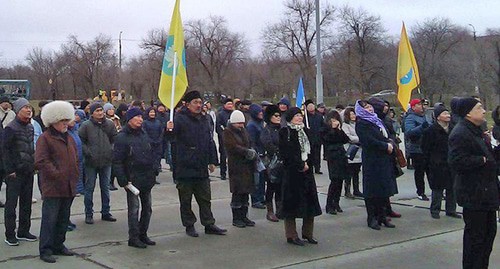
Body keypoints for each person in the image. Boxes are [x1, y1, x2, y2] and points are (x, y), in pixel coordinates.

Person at [448, 97, 499, 269]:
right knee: (475, 241)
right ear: (468, 113)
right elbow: (456, 162)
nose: (484, 111)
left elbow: (490, 156)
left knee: (488, 237)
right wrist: (482, 160)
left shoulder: (476, 130)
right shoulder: (460, 133)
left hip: (486, 194)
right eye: (479, 108)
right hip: (474, 194)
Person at [170, 91, 226, 237]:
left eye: (200, 102)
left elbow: (209, 140)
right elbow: (170, 138)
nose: (198, 105)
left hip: (201, 166)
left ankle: (209, 223)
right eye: (195, 102)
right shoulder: (179, 119)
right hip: (185, 166)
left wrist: (213, 160)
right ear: (187, 104)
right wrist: (169, 129)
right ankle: (189, 225)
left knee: (205, 198)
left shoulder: (204, 119)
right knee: (186, 199)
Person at [35, 101, 79, 263]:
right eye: (62, 121)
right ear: (53, 121)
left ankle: (59, 245)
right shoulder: (45, 139)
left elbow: (75, 158)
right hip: (53, 187)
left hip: (68, 186)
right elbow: (41, 161)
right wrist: (58, 174)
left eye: (67, 120)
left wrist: (74, 176)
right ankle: (45, 249)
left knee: (63, 218)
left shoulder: (69, 138)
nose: (66, 124)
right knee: (50, 219)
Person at [113, 107, 157, 249]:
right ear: (129, 119)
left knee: (147, 208)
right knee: (134, 210)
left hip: (147, 177)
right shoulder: (122, 137)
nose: (140, 119)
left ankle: (143, 234)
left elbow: (151, 152)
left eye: (141, 117)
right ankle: (134, 237)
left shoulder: (144, 134)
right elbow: (117, 161)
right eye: (137, 117)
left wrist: (154, 168)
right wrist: (123, 180)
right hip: (132, 179)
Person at [279, 107, 322, 246]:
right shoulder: (285, 132)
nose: (299, 118)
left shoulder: (305, 131)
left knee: (309, 204)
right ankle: (291, 235)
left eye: (300, 115)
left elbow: (312, 148)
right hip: (292, 174)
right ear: (290, 117)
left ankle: (308, 233)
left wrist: (310, 163)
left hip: (307, 174)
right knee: (292, 206)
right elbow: (286, 153)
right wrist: (300, 164)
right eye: (296, 116)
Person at [355, 100, 397, 230]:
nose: (369, 109)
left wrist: (390, 142)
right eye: (366, 108)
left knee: (383, 189)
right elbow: (369, 141)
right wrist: (385, 146)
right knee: (372, 189)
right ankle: (372, 218)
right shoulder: (362, 123)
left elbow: (386, 134)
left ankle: (382, 216)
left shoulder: (376, 120)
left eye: (369, 106)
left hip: (384, 158)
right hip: (372, 160)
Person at [3, 98, 37, 246]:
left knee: (26, 203)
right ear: (17, 110)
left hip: (28, 171)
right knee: (11, 205)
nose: (29, 110)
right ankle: (10, 234)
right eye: (25, 108)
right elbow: (5, 151)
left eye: (29, 107)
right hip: (14, 173)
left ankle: (24, 231)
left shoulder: (30, 127)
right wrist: (9, 170)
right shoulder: (10, 128)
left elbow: (30, 148)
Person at [78, 103, 118, 224]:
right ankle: (88, 213)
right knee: (89, 188)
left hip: (106, 161)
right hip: (91, 162)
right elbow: (81, 141)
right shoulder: (86, 126)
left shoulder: (110, 124)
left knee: (105, 188)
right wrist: (88, 152)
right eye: (97, 111)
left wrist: (111, 150)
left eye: (101, 110)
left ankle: (106, 212)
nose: (100, 113)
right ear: (92, 113)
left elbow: (115, 139)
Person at [422, 104, 461, 219]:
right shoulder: (431, 130)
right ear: (438, 117)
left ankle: (451, 210)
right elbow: (425, 148)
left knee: (451, 188)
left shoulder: (453, 128)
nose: (447, 115)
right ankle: (435, 210)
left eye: (448, 113)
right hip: (436, 164)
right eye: (444, 113)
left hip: (451, 162)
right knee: (437, 189)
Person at [223, 110, 257, 228]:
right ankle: (236, 218)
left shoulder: (244, 131)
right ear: (233, 122)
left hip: (246, 166)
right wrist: (246, 152)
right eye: (238, 123)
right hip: (236, 167)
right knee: (237, 193)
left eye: (242, 123)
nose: (241, 125)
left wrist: (251, 150)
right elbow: (232, 147)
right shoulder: (227, 132)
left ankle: (244, 216)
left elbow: (249, 142)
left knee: (245, 192)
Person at [322, 110, 350, 214]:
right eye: (333, 119)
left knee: (340, 180)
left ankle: (336, 203)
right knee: (334, 180)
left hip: (341, 156)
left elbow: (345, 139)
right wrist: (333, 129)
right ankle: (329, 204)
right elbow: (327, 139)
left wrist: (339, 130)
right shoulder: (325, 129)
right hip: (332, 156)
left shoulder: (339, 129)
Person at [404, 99, 431, 200]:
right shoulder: (410, 118)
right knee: (420, 173)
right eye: (419, 104)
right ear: (413, 107)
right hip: (417, 149)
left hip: (428, 148)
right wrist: (421, 127)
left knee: (431, 171)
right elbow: (409, 133)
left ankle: (437, 191)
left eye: (422, 104)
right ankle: (420, 192)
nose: (421, 106)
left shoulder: (426, 116)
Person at [260, 105, 282, 222]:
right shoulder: (266, 130)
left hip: (282, 162)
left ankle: (279, 209)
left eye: (279, 115)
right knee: (271, 186)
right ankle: (270, 211)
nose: (279, 117)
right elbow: (267, 144)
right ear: (270, 117)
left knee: (280, 186)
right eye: (276, 115)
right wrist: (277, 151)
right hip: (271, 163)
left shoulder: (281, 129)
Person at [246, 104, 266, 209]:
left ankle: (261, 197)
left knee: (262, 178)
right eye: (259, 113)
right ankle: (256, 199)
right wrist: (255, 153)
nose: (261, 114)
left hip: (262, 153)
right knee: (256, 179)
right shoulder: (251, 125)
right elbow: (252, 141)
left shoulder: (260, 123)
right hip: (257, 154)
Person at [342, 107, 363, 198]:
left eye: (354, 114)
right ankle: (347, 190)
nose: (353, 116)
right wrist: (359, 138)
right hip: (350, 150)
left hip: (359, 150)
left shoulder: (358, 124)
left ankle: (356, 190)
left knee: (356, 171)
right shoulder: (345, 125)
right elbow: (348, 137)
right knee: (349, 172)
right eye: (351, 114)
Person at [143, 107, 164, 183]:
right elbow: (144, 133)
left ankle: (154, 177)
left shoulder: (158, 122)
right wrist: (150, 141)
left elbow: (161, 132)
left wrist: (159, 140)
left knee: (156, 161)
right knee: (149, 162)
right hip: (149, 145)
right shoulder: (145, 122)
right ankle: (149, 178)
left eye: (153, 112)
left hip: (158, 145)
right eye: (151, 112)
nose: (152, 114)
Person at [304, 99, 325, 175]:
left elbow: (324, 126)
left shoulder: (319, 116)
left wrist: (320, 131)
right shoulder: (305, 117)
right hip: (308, 139)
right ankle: (310, 167)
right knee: (309, 155)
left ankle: (317, 168)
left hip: (317, 138)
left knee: (317, 154)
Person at [215, 98, 234, 181]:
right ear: (224, 105)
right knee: (223, 155)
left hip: (234, 138)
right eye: (228, 104)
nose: (230, 106)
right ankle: (223, 173)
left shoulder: (234, 113)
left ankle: (232, 172)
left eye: (231, 104)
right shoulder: (220, 114)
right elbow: (218, 127)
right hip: (223, 138)